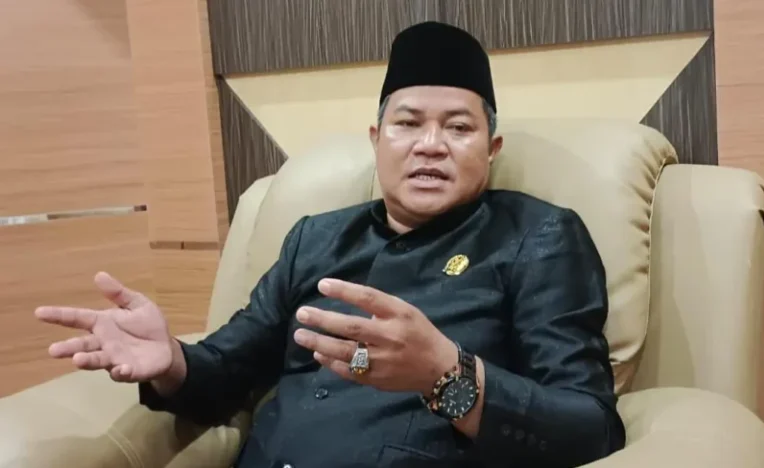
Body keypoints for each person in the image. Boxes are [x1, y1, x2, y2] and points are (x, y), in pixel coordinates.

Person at [35, 21, 626, 467]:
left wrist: (446, 375)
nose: (430, 144)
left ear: (491, 150)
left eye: (459, 127)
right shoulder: (315, 236)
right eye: (408, 123)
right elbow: (229, 368)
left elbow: (592, 428)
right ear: (377, 139)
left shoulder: (538, 236)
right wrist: (171, 361)